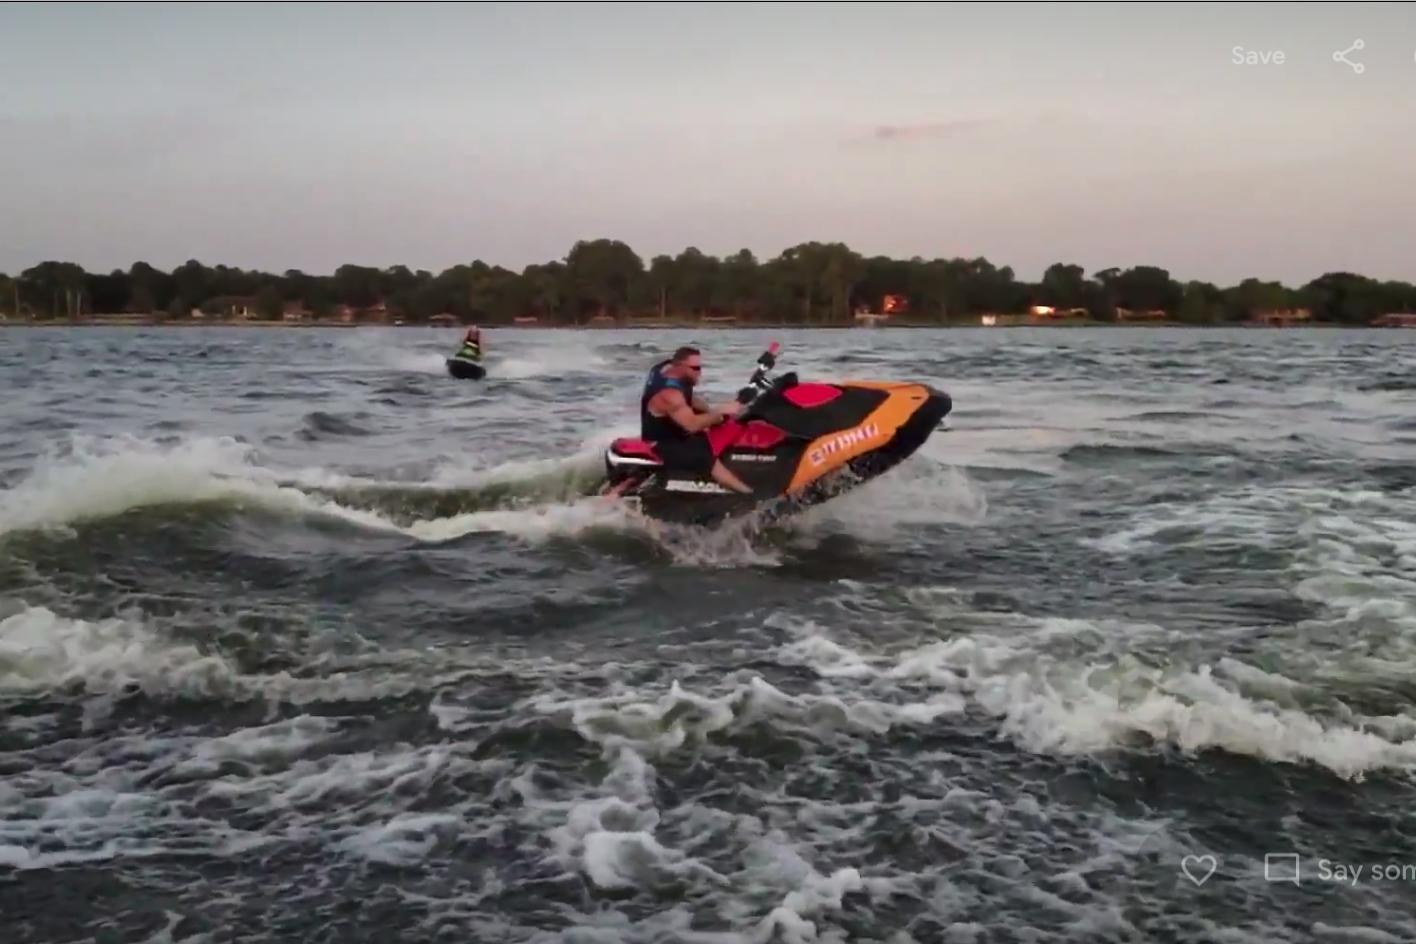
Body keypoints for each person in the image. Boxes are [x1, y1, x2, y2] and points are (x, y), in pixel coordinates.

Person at [616, 345, 754, 496]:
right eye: (695, 368)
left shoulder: (665, 369)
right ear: (679, 366)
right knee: (703, 456)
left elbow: (688, 397)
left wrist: (711, 411)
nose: (699, 373)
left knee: (716, 426)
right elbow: (692, 425)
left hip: (668, 420)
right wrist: (720, 412)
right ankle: (747, 494)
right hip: (664, 440)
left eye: (700, 367)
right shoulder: (670, 395)